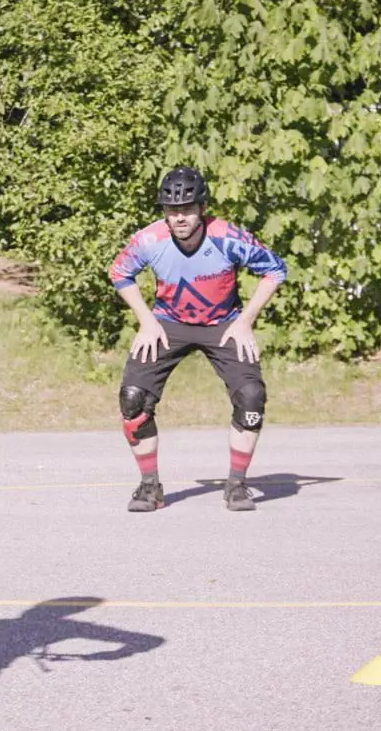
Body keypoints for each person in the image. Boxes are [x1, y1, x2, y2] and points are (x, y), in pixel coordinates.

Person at [106, 166, 287, 513]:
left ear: (202, 208)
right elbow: (119, 273)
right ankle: (149, 488)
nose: (180, 217)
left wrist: (246, 321)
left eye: (187, 209)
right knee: (133, 399)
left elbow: (274, 270)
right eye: (172, 210)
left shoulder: (229, 237)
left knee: (251, 397)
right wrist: (145, 321)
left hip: (224, 323)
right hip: (167, 323)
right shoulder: (149, 240)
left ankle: (236, 486)